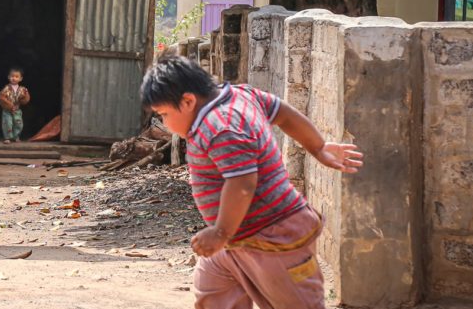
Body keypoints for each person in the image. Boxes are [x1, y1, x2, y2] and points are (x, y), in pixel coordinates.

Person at [140, 56, 363, 309]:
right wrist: (318, 146)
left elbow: (242, 183)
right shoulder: (240, 94)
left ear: (188, 101)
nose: (165, 124)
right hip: (235, 240)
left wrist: (220, 232)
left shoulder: (219, 126)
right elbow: (284, 113)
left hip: (273, 238)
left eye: (164, 115)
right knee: (213, 290)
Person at [0, 67, 30, 144]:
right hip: (7, 110)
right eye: (12, 76)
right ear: (8, 77)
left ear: (20, 78)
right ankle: (7, 138)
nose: (14, 78)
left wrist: (25, 96)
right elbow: (1, 97)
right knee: (7, 123)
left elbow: (26, 99)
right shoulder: (6, 88)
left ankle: (16, 137)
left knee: (19, 124)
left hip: (17, 110)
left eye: (16, 77)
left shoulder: (23, 89)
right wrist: (9, 105)